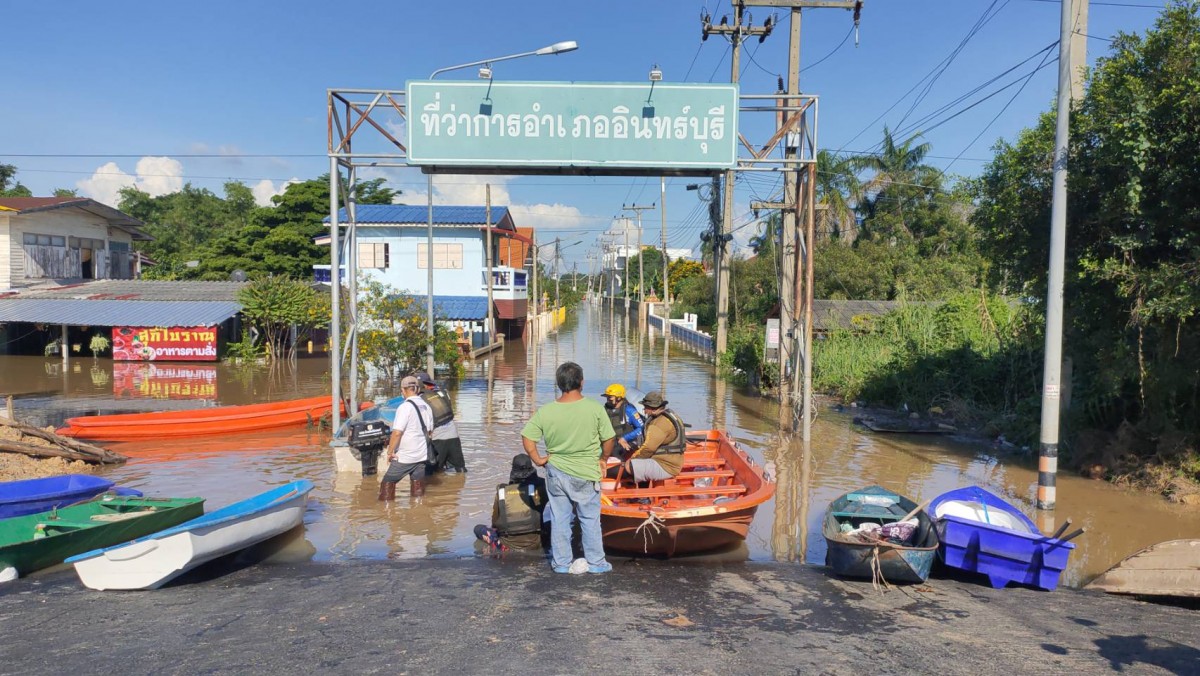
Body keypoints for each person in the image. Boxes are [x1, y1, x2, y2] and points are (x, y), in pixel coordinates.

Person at [521, 361, 616, 574]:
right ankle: (596, 563)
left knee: (560, 518)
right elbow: (609, 438)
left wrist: (537, 458)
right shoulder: (594, 409)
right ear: (582, 383)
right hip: (586, 472)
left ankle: (562, 563)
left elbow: (527, 437)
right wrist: (604, 458)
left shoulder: (546, 411)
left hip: (556, 472)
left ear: (558, 383)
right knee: (590, 519)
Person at [473, 454, 550, 552]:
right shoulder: (539, 488)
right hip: (536, 542)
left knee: (478, 528)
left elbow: (495, 523)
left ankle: (500, 547)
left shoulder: (502, 492)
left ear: (513, 471)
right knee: (552, 524)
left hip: (508, 545)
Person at [607, 391, 687, 484]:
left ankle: (604, 474)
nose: (644, 410)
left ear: (652, 408)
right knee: (636, 462)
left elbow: (648, 448)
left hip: (665, 465)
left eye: (645, 408)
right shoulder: (667, 416)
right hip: (672, 461)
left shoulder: (658, 424)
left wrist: (632, 459)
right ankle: (640, 490)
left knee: (630, 465)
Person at [378, 375, 434, 501]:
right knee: (417, 486)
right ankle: (418, 510)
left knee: (388, 483)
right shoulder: (426, 406)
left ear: (403, 390)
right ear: (417, 389)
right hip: (421, 455)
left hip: (405, 456)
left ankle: (386, 512)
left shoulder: (404, 407)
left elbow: (397, 432)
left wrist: (390, 451)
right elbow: (430, 432)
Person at [413, 370, 466, 473]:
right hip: (454, 435)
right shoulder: (443, 392)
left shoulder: (420, 399)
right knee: (460, 469)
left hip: (437, 439)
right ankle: (461, 486)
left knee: (432, 473)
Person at [601, 383, 644, 459]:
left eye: (610, 397)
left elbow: (641, 428)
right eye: (607, 397)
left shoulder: (629, 410)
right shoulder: (606, 409)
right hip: (613, 440)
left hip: (629, 440)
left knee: (616, 451)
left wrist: (625, 438)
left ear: (619, 398)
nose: (607, 399)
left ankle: (623, 468)